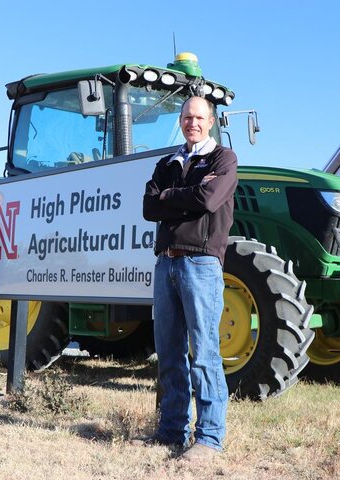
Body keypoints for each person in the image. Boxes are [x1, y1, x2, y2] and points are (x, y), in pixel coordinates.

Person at [142, 96, 238, 461]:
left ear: (210, 121)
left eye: (199, 117)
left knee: (204, 355)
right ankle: (171, 431)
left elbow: (210, 199)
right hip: (165, 263)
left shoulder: (223, 159)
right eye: (187, 117)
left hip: (201, 265)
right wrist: (182, 196)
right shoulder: (168, 162)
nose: (192, 122)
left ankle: (210, 438)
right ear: (180, 121)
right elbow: (150, 207)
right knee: (169, 353)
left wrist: (170, 196)